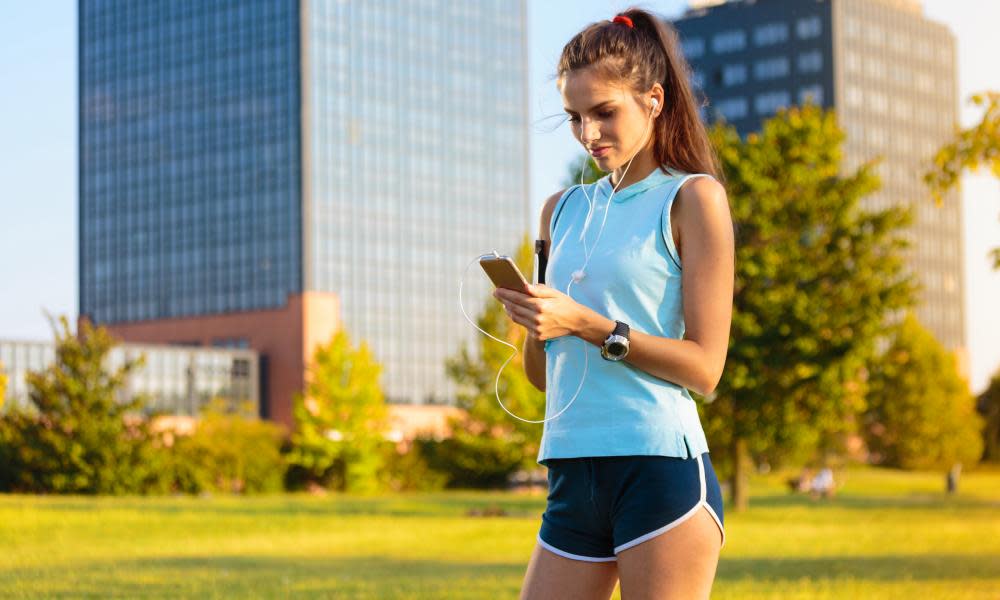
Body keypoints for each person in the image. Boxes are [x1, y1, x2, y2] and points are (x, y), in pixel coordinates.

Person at [492, 8, 735, 599]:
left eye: (605, 112)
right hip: (572, 471)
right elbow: (544, 380)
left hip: (658, 470)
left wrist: (590, 324)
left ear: (653, 100)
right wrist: (537, 323)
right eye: (575, 116)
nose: (588, 133)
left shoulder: (693, 199)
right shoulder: (561, 209)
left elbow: (705, 369)